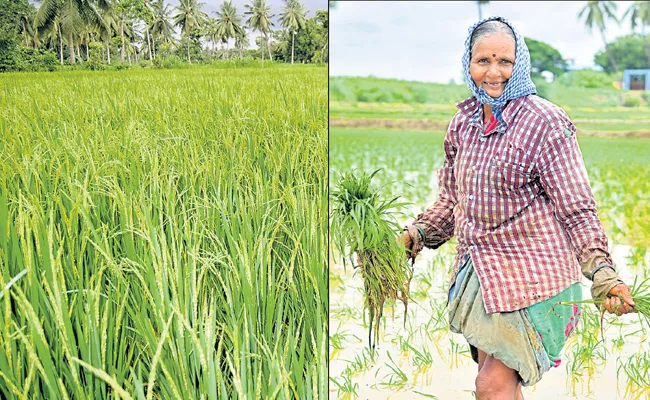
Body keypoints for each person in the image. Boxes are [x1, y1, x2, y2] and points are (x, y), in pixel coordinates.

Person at [401, 16, 636, 399]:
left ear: (520, 64)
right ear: (468, 63)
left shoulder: (545, 121)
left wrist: (603, 275)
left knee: (490, 386)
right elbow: (451, 200)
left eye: (505, 62)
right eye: (483, 61)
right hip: (482, 274)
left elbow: (577, 209)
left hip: (536, 278)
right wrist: (415, 234)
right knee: (500, 387)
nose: (493, 73)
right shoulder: (463, 123)